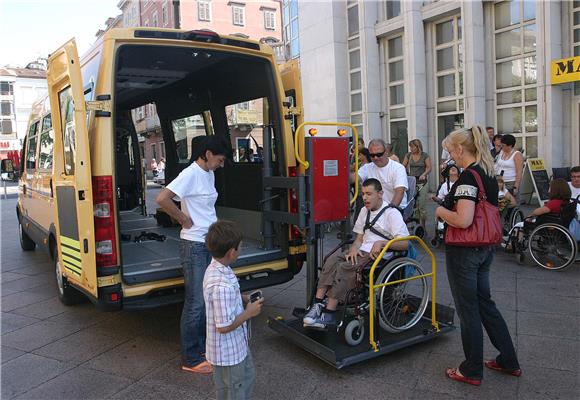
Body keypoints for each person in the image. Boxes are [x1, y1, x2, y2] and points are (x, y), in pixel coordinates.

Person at [435, 126, 520, 386]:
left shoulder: (468, 178)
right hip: (485, 249)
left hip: (464, 252)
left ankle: (471, 369)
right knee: (485, 304)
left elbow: (463, 219)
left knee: (468, 309)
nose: (451, 156)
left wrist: (440, 211)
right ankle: (508, 360)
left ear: (461, 149)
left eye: (451, 151)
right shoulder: (488, 174)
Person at [156, 135, 229, 375]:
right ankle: (190, 357)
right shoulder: (190, 174)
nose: (222, 164)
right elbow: (162, 199)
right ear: (207, 154)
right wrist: (182, 218)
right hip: (194, 246)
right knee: (196, 303)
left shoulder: (208, 173)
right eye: (220, 159)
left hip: (208, 242)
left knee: (207, 298)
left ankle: (203, 349)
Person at [303, 178, 409, 329]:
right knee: (331, 260)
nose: (364, 197)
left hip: (379, 255)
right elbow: (359, 238)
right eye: (363, 194)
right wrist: (354, 248)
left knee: (345, 267)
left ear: (380, 194)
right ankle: (318, 304)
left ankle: (329, 312)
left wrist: (382, 243)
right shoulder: (364, 211)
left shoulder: (391, 214)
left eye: (369, 194)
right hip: (362, 250)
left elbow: (405, 243)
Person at [203, 220, 263, 400]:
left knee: (244, 379)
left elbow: (223, 303)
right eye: (241, 247)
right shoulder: (222, 286)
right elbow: (223, 326)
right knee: (235, 390)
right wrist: (249, 313)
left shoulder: (218, 267)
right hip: (228, 354)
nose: (241, 249)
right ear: (231, 252)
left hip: (235, 348)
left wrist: (244, 299)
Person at [358, 139, 408, 208]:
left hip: (396, 209)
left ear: (386, 152)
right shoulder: (367, 167)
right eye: (372, 155)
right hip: (375, 209)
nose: (375, 157)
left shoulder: (398, 168)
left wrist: (389, 210)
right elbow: (354, 178)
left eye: (379, 154)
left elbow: (399, 192)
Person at [402, 139, 432, 231]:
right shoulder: (408, 155)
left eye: (412, 146)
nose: (411, 148)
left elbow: (429, 167)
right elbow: (403, 166)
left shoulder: (424, 155)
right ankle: (417, 225)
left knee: (421, 205)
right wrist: (404, 174)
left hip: (422, 181)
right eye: (410, 146)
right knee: (413, 205)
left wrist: (424, 174)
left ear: (417, 146)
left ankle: (423, 226)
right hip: (412, 181)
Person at [495, 134, 523, 201]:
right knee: (500, 202)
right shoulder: (502, 152)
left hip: (510, 182)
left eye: (503, 145)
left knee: (509, 202)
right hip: (500, 181)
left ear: (510, 145)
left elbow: (519, 171)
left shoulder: (517, 154)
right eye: (501, 145)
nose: (501, 147)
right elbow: (497, 165)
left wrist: (516, 186)